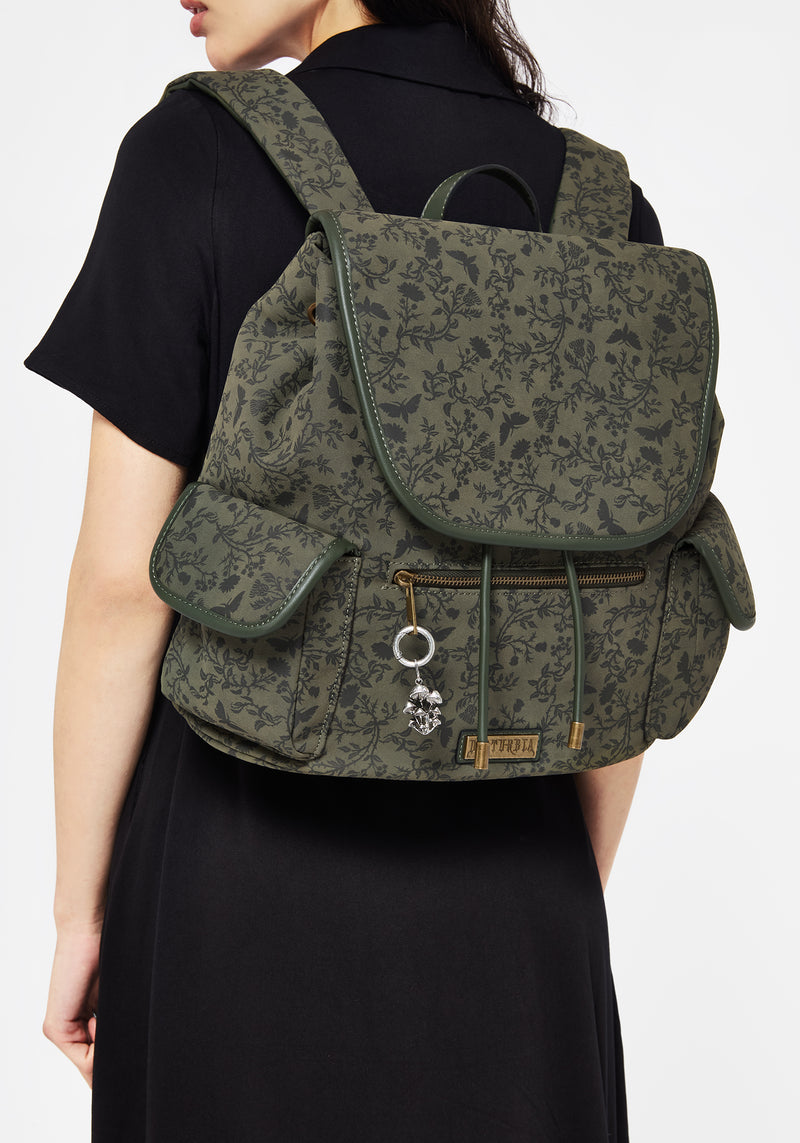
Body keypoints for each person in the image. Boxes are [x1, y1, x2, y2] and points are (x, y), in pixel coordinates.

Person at [25, 2, 657, 1139]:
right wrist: (555, 891)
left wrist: (84, 915)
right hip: (520, 885)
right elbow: (618, 616)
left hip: (237, 875)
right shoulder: (602, 207)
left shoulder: (197, 154)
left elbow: (124, 581)